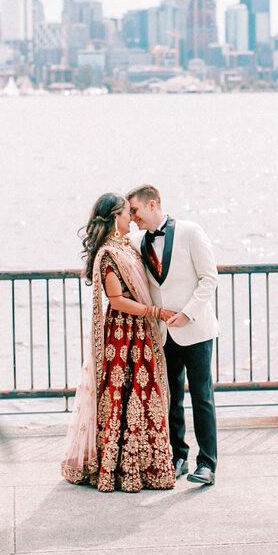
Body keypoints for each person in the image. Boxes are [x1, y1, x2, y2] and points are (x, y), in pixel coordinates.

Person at [61, 192, 178, 492]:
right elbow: (117, 300)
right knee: (127, 397)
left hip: (139, 331)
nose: (132, 218)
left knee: (143, 396)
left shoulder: (127, 247)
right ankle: (121, 468)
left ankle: (144, 464)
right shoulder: (109, 254)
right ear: (115, 218)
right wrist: (156, 312)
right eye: (128, 213)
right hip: (124, 334)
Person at [127, 184, 220, 486]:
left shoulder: (192, 231)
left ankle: (207, 463)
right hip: (164, 334)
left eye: (135, 211)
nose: (132, 217)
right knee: (171, 397)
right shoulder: (137, 240)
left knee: (202, 397)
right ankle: (178, 456)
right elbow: (114, 241)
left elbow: (209, 278)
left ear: (152, 205)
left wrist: (188, 313)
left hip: (195, 329)